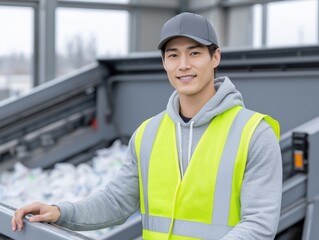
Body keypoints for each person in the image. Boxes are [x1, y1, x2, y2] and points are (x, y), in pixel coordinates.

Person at [12, 12, 282, 240]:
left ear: (216, 57)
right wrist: (60, 212)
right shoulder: (148, 134)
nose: (184, 65)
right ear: (164, 62)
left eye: (195, 53)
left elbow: (259, 225)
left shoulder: (254, 133)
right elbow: (116, 202)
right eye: (173, 55)